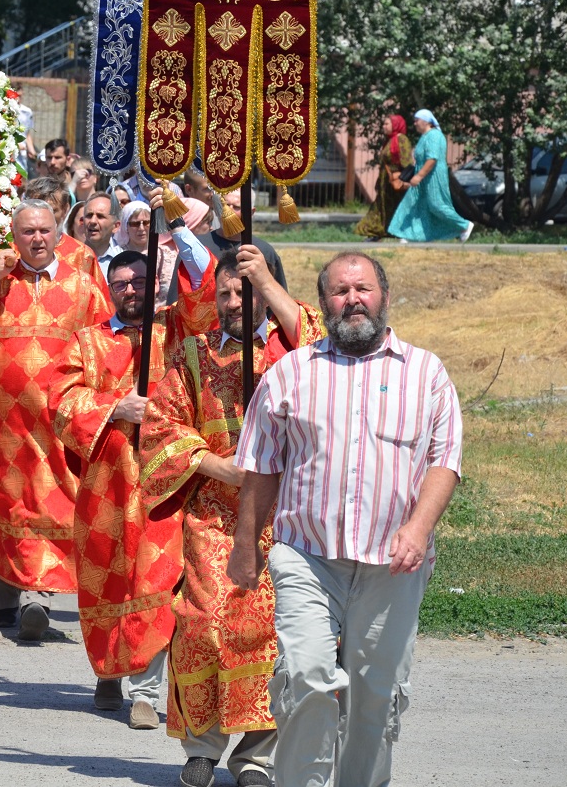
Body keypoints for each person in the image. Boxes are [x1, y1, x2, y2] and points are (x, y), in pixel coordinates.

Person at [227, 251, 464, 787]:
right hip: (307, 556)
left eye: (363, 289)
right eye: (339, 291)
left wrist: (419, 529)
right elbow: (261, 468)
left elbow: (444, 460)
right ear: (323, 303)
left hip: (393, 565)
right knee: (306, 677)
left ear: (384, 296)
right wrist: (245, 548)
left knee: (374, 693)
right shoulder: (290, 374)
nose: (352, 300)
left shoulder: (426, 374)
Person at [141, 247, 325, 787]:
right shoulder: (193, 354)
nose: (232, 301)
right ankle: (202, 746)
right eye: (223, 292)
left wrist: (263, 281)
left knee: (273, 633)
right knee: (201, 623)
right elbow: (161, 425)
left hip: (286, 516)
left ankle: (256, 757)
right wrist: (213, 463)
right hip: (214, 516)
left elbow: (321, 344)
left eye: (243, 290)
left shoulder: (294, 352)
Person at [0, 199, 113, 638]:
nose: (37, 238)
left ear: (58, 234)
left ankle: (39, 597)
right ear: (14, 236)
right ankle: (4, 597)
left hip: (56, 419)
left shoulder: (83, 287)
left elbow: (103, 348)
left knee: (49, 502)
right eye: (28, 231)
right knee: (3, 501)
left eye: (44, 230)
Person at [49, 251, 180, 729]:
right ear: (109, 287)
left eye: (141, 281)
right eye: (122, 282)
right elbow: (60, 402)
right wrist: (116, 405)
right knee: (105, 580)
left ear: (156, 285)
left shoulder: (175, 333)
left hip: (162, 484)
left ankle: (145, 690)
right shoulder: (86, 341)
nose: (132, 290)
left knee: (156, 580)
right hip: (104, 485)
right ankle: (108, 672)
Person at [388, 109, 475, 243]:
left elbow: (432, 159)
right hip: (423, 178)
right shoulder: (425, 136)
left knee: (436, 205)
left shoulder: (434, 136)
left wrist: (419, 176)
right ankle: (408, 235)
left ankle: (464, 225)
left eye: (417, 120)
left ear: (426, 121)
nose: (415, 124)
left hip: (432, 178)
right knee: (414, 204)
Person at [355, 114, 415, 240]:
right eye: (384, 124)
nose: (384, 126)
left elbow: (406, 162)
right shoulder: (389, 141)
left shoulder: (401, 139)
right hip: (386, 182)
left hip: (397, 181)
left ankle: (403, 234)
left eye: (387, 124)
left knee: (398, 207)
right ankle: (376, 234)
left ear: (396, 125)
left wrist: (406, 180)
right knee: (381, 208)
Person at [114, 199, 178, 311]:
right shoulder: (116, 254)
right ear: (125, 227)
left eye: (146, 222)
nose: (142, 228)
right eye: (135, 224)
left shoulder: (167, 254)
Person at [82, 191, 123, 277]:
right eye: (89, 215)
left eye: (100, 216)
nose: (93, 221)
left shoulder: (123, 262)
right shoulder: (70, 257)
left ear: (116, 226)